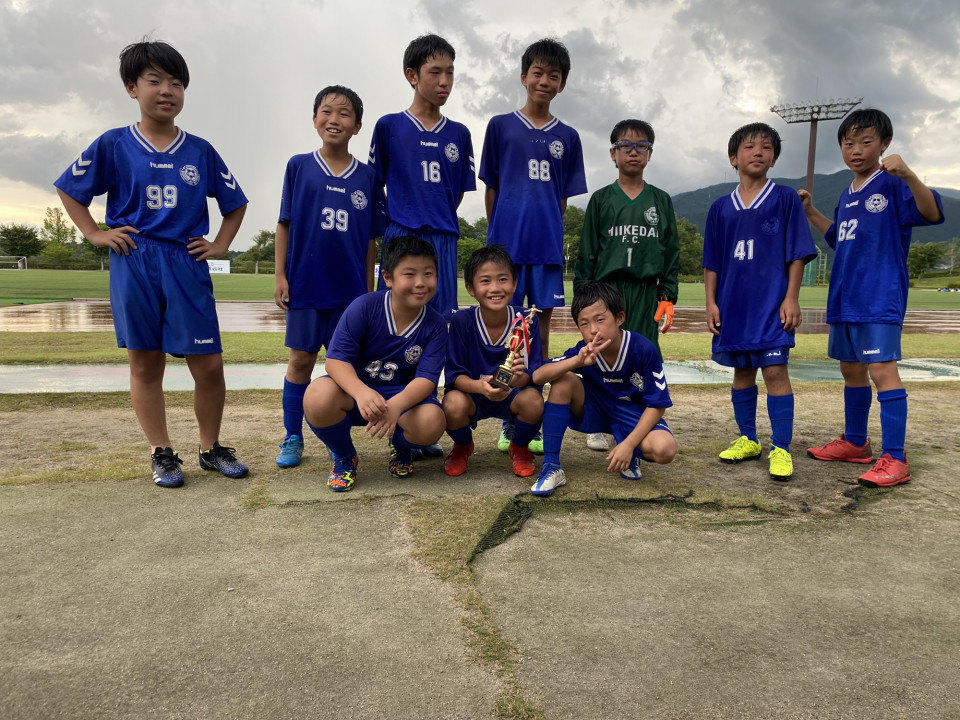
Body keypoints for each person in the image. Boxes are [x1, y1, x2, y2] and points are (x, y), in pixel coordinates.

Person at [54, 40, 248, 489]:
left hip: (185, 260)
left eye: (176, 83)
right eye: (155, 81)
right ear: (131, 88)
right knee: (145, 362)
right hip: (135, 258)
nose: (167, 91)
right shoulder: (115, 144)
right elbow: (70, 189)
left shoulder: (200, 150)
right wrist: (95, 233)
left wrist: (220, 244)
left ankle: (210, 447)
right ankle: (162, 454)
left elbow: (235, 204)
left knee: (209, 364)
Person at [800, 108, 944, 487]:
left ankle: (896, 457)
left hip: (879, 294)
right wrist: (811, 210)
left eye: (866, 142)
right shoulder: (847, 193)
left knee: (882, 371)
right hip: (845, 296)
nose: (856, 150)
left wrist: (909, 174)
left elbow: (931, 214)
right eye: (849, 143)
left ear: (885, 144)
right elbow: (839, 239)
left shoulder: (893, 182)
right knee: (851, 370)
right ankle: (855, 442)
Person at [479, 37, 587, 453]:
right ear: (524, 77)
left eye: (553, 76)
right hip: (506, 248)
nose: (544, 80)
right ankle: (508, 413)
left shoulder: (569, 137)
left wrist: (545, 232)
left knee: (538, 337)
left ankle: (530, 418)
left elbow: (560, 200)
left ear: (562, 84)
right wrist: (498, 239)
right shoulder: (500, 126)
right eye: (537, 73)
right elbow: (492, 188)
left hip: (545, 250)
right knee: (505, 332)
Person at [273, 85, 385, 469]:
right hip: (305, 284)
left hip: (350, 292)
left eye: (344, 114)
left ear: (357, 126)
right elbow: (284, 224)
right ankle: (292, 436)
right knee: (301, 360)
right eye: (326, 111)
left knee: (348, 367)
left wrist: (369, 291)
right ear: (314, 118)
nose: (334, 119)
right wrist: (280, 276)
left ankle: (347, 437)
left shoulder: (368, 177)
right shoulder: (298, 166)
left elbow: (371, 239)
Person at [703, 122, 816, 481]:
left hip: (771, 305)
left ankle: (781, 447)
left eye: (766, 147)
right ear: (733, 157)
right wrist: (710, 302)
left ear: (774, 158)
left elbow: (797, 252)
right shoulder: (721, 207)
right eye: (750, 147)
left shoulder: (784, 198)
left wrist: (791, 297)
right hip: (733, 305)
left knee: (776, 372)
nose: (758, 152)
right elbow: (713, 262)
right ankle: (748, 438)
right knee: (742, 372)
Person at [302, 236, 447, 492]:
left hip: (402, 397)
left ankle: (401, 448)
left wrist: (396, 406)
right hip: (357, 392)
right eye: (410, 274)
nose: (421, 283)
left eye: (428, 273)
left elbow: (427, 379)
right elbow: (335, 361)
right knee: (317, 396)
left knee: (432, 421)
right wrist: (360, 392)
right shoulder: (365, 307)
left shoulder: (435, 324)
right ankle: (345, 457)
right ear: (388, 277)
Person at [574, 118, 679, 452]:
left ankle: (647, 418)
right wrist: (584, 298)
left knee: (644, 356)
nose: (633, 152)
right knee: (599, 354)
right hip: (607, 291)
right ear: (613, 153)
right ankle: (598, 422)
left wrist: (668, 298)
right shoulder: (602, 199)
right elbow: (587, 252)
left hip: (646, 292)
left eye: (641, 146)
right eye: (625, 146)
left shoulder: (661, 200)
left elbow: (672, 252)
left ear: (649, 154)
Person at [529, 283, 677, 496]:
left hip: (631, 414)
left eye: (600, 320)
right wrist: (577, 361)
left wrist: (629, 444)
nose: (593, 330)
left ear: (619, 318)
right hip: (596, 411)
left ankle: (628, 449)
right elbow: (538, 375)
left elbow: (657, 405)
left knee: (665, 450)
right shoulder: (583, 349)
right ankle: (551, 466)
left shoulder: (643, 349)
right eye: (584, 323)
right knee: (563, 379)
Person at [367, 33, 476, 322]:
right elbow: (375, 184)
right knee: (391, 321)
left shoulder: (460, 134)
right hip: (400, 233)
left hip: (444, 236)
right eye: (436, 72)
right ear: (412, 75)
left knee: (442, 324)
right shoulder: (389, 126)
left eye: (450, 73)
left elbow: (458, 191)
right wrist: (397, 219)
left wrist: (436, 213)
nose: (445, 81)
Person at [442, 246, 544, 478]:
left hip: (512, 394)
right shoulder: (462, 321)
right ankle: (463, 446)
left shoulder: (526, 320)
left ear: (515, 283)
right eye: (485, 281)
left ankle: (519, 447)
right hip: (474, 394)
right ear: (471, 288)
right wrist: (480, 387)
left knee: (534, 401)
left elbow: (535, 370)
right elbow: (455, 375)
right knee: (451, 404)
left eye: (503, 279)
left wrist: (518, 378)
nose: (495, 288)